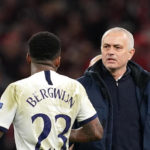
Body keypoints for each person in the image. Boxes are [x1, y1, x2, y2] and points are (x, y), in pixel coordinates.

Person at [0, 31, 103, 150]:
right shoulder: (75, 87)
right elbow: (96, 132)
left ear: (28, 58)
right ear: (58, 61)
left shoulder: (16, 89)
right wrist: (59, 132)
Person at [73, 27, 150, 150]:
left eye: (117, 47)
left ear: (131, 53)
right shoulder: (80, 87)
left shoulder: (145, 85)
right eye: (106, 47)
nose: (110, 52)